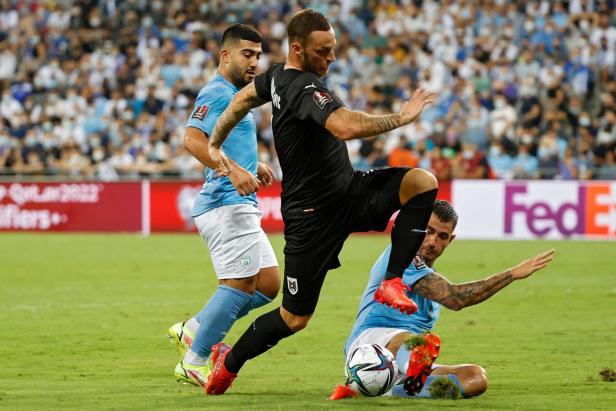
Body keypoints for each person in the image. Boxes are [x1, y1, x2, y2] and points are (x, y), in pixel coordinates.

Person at [204, 9, 439, 395]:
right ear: (299, 49)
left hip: (348, 192)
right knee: (294, 318)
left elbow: (241, 102)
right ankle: (227, 362)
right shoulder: (302, 86)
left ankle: (392, 282)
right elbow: (345, 126)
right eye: (323, 51)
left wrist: (216, 142)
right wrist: (403, 117)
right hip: (311, 218)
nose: (331, 58)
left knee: (421, 183)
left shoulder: (276, 77)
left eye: (333, 50)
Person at [330, 200, 555, 400]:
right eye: (427, 231)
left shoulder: (431, 279)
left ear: (450, 240)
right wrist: (512, 274)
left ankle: (398, 389)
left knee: (475, 378)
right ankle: (383, 374)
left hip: (410, 362)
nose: (432, 241)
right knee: (416, 341)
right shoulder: (401, 255)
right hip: (370, 348)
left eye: (442, 236)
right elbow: (456, 298)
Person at [166, 24, 280, 388]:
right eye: (248, 54)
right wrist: (230, 171)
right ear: (225, 55)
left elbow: (224, 141)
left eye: (259, 56)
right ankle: (196, 359)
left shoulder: (236, 93)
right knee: (241, 284)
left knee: (268, 283)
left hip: (238, 200)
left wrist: (251, 166)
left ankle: (196, 327)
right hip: (225, 203)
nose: (255, 62)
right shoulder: (216, 92)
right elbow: (192, 139)